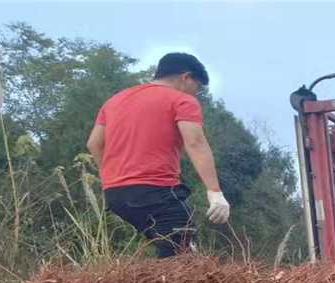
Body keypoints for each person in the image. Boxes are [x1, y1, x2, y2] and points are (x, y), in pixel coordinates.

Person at [87, 52, 230, 258]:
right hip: (154, 190)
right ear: (186, 77)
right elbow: (195, 142)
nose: (195, 94)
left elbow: (94, 144)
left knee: (178, 246)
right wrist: (215, 192)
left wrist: (113, 176)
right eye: (197, 87)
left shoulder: (114, 101)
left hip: (116, 194)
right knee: (179, 248)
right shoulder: (181, 100)